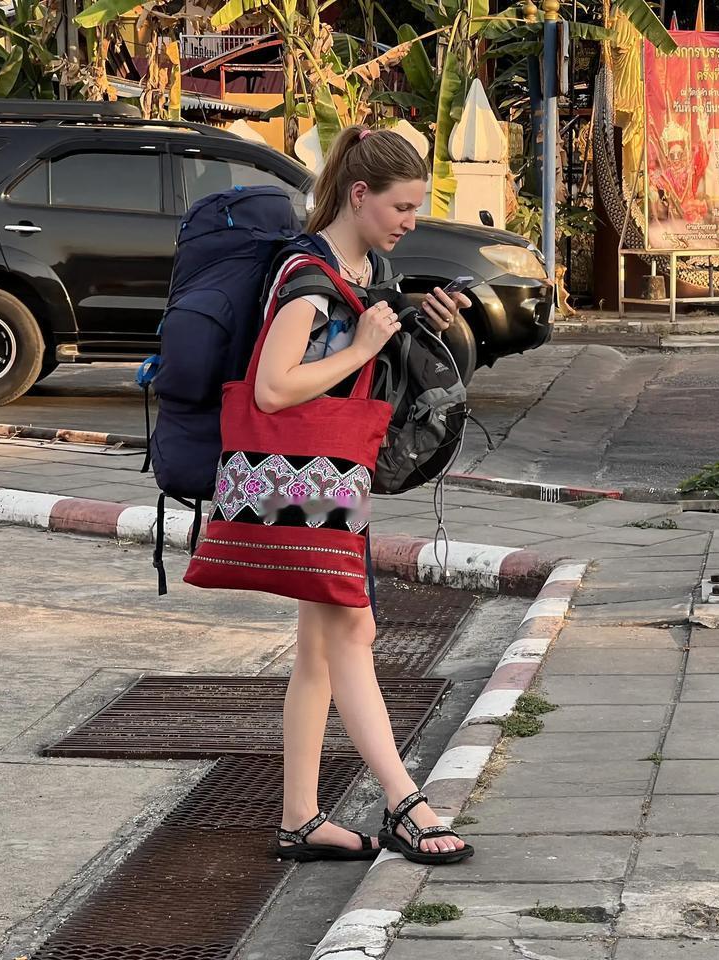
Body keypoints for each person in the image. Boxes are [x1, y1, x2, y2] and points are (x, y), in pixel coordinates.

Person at [257, 126, 475, 866]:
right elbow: (274, 385)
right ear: (359, 195)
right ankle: (404, 801)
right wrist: (361, 345)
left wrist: (418, 325)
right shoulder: (307, 277)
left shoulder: (365, 266)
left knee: (321, 650)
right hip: (308, 480)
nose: (411, 220)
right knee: (352, 637)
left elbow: (370, 367)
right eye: (402, 205)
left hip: (332, 477)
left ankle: (300, 818)